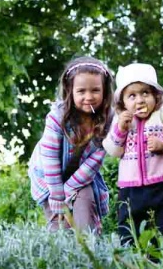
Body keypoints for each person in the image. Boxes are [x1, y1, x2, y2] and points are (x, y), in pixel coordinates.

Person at [102, 63, 163, 249]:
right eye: (132, 96)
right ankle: (131, 261)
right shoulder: (121, 120)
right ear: (123, 102)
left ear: (156, 96)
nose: (140, 100)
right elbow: (113, 150)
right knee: (128, 230)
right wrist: (120, 130)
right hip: (130, 189)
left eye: (145, 93)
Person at [28, 56, 114, 234]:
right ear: (70, 90)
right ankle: (62, 253)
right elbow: (50, 156)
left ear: (105, 91)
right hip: (49, 176)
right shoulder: (58, 116)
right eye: (81, 91)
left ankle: (91, 249)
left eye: (95, 90)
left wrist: (69, 189)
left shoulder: (108, 119)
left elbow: (95, 161)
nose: (88, 97)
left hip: (82, 175)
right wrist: (58, 195)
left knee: (86, 206)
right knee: (60, 223)